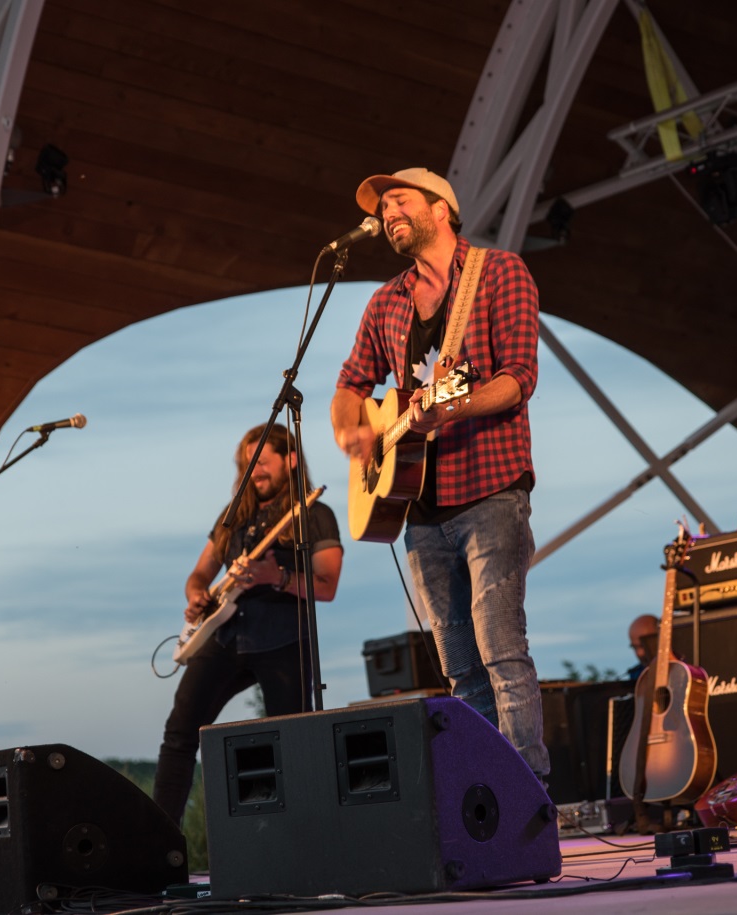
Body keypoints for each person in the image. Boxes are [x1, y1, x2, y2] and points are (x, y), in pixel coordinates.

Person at [330, 167, 549, 780]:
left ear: (441, 209)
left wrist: (452, 407)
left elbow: (516, 379)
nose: (388, 213)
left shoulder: (499, 273)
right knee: (460, 670)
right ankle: (486, 800)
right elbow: (350, 385)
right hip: (419, 509)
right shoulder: (386, 300)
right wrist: (352, 433)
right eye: (383, 208)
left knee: (502, 653)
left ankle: (530, 801)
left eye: (399, 200)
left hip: (491, 491)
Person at [152, 423, 343, 825]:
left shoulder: (314, 514)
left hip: (283, 640)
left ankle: (302, 836)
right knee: (179, 734)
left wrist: (277, 577)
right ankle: (161, 839)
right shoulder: (232, 515)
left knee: (292, 743)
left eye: (263, 463)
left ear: (291, 460)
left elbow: (327, 586)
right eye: (248, 465)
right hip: (224, 636)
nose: (254, 472)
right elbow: (199, 574)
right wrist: (196, 594)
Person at [626, 614, 660, 682]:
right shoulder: (636, 674)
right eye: (634, 647)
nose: (640, 653)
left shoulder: (679, 668)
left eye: (643, 645)